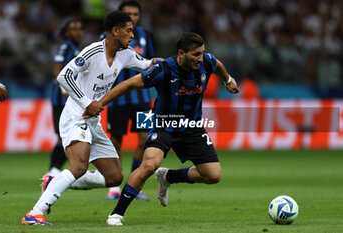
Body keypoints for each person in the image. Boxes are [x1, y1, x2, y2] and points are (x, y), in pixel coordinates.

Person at [84, 32, 240, 226]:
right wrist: (99, 103)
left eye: (202, 53)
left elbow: (217, 65)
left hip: (192, 127)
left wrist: (228, 80)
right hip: (164, 125)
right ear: (181, 53)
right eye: (196, 54)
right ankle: (117, 214)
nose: (200, 58)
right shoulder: (163, 70)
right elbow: (127, 85)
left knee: (213, 175)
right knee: (149, 165)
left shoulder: (206, 62)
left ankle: (168, 177)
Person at [22, 11, 160, 226]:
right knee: (79, 166)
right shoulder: (92, 51)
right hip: (76, 116)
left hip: (93, 120)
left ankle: (54, 181)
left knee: (114, 177)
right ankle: (34, 213)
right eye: (129, 30)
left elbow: (147, 64)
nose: (132, 35)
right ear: (115, 31)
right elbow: (63, 76)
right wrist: (87, 102)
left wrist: (162, 62)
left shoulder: (126, 54)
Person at [101, 0, 156, 201]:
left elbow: (150, 64)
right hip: (117, 99)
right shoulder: (107, 38)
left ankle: (135, 184)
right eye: (128, 14)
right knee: (116, 141)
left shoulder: (145, 36)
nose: (132, 17)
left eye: (135, 14)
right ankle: (114, 187)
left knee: (144, 139)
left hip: (142, 98)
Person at [46, 18, 84, 177]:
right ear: (66, 32)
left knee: (69, 135)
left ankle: (58, 170)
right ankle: (54, 170)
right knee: (64, 136)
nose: (78, 32)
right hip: (63, 99)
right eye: (74, 29)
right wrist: (65, 90)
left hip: (71, 99)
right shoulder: (65, 47)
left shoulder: (75, 48)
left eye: (80, 29)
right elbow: (57, 70)